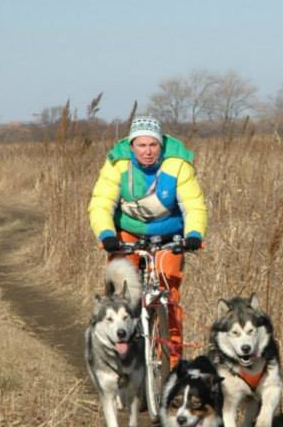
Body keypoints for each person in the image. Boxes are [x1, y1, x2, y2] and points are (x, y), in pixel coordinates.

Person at [88, 116, 207, 369]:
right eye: (141, 145)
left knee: (169, 296)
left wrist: (194, 234)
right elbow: (101, 203)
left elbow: (193, 204)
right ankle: (118, 358)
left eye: (153, 145)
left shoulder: (177, 165)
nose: (148, 151)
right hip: (126, 233)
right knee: (122, 293)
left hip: (168, 235)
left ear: (161, 145)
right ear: (131, 146)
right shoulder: (117, 164)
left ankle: (171, 367)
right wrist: (107, 234)